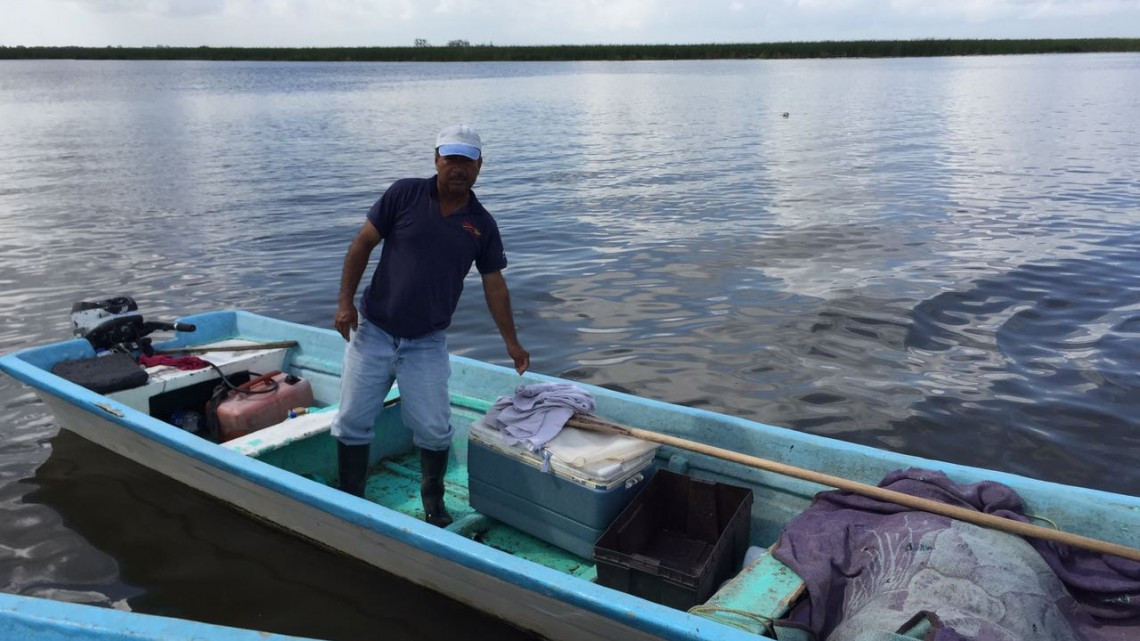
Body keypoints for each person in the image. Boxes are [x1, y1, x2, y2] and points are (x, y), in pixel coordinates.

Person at [330, 124, 530, 527]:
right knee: (352, 421)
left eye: (466, 161)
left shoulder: (482, 224)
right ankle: (351, 495)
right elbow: (362, 244)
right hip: (374, 331)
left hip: (426, 342)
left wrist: (512, 343)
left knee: (436, 430)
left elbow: (494, 285)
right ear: (436, 159)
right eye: (450, 158)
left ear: (479, 166)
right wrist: (344, 303)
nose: (458, 168)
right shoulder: (404, 194)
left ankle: (433, 501)